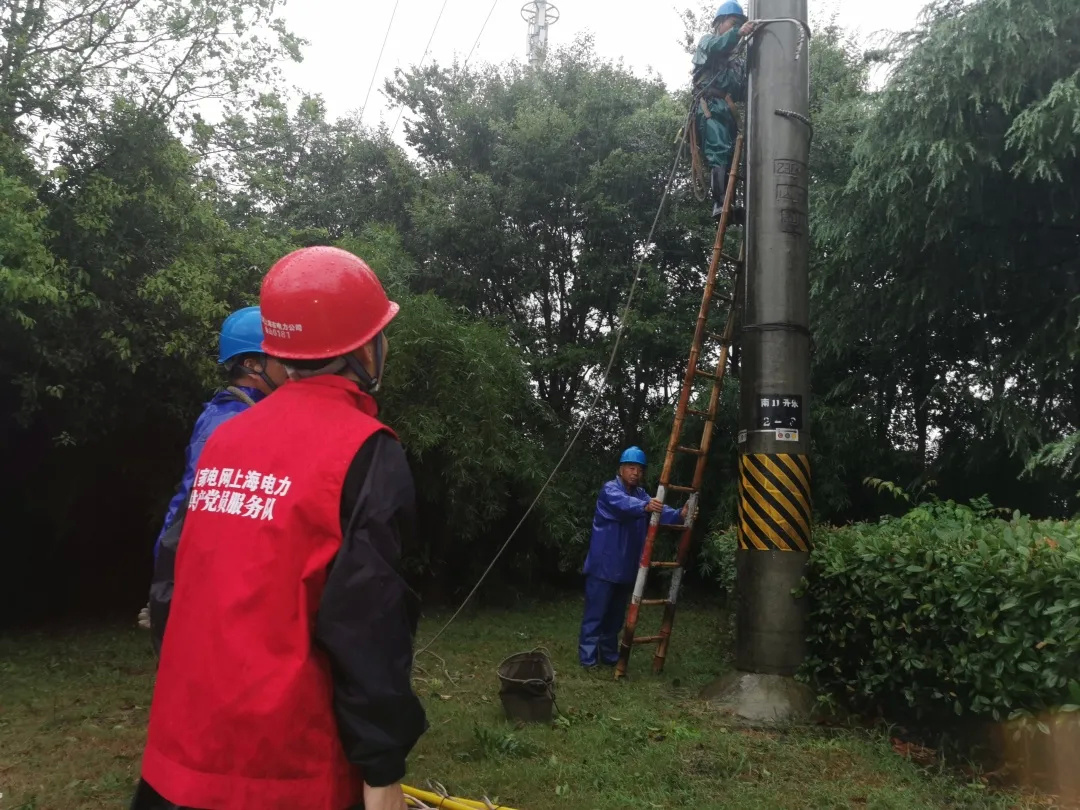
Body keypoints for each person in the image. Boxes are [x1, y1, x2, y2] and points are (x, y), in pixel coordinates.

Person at [133, 246, 428, 810]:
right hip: (288, 772)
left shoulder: (224, 438)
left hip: (178, 760)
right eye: (381, 334)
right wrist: (382, 769)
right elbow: (369, 621)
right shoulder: (365, 450)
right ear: (364, 348)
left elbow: (170, 581)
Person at [137, 306, 282, 629]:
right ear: (252, 364)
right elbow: (195, 502)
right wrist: (170, 586)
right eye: (280, 358)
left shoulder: (244, 414)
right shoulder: (231, 421)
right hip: (208, 579)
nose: (291, 367)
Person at [578, 447, 689, 669]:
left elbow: (658, 510)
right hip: (603, 566)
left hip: (625, 568)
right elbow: (623, 504)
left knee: (615, 617)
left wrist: (679, 514)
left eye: (639, 469)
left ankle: (609, 655)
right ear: (621, 469)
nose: (636, 473)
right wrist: (645, 506)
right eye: (631, 467)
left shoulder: (641, 495)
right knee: (595, 614)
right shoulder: (610, 490)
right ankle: (587, 659)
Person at [691, 1, 757, 219]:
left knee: (730, 155)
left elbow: (742, 90)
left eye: (739, 24)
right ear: (719, 23)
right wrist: (738, 33)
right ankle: (720, 203)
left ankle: (731, 203)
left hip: (727, 110)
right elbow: (717, 46)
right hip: (709, 106)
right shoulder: (708, 42)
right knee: (718, 149)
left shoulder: (736, 63)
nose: (736, 27)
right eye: (733, 22)